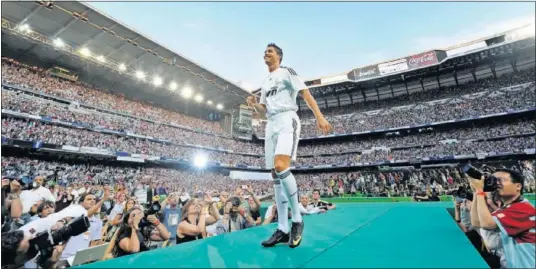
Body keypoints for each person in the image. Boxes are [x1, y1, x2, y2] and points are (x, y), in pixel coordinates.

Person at [247, 43, 331, 248]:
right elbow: (263, 111)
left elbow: (305, 93)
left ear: (279, 56)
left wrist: (319, 116)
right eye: (265, 51)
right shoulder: (265, 82)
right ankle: (283, 228)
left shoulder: (287, 72)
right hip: (271, 123)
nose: (266, 53)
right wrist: (253, 104)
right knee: (275, 175)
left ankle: (298, 220)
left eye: (270, 51)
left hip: (287, 119)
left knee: (281, 166)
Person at [468, 169, 535, 269]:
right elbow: (476, 223)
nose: (496, 184)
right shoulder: (506, 209)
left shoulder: (523, 208)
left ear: (518, 186)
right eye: (494, 180)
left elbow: (487, 224)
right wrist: (476, 192)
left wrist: (480, 191)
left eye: (501, 180)